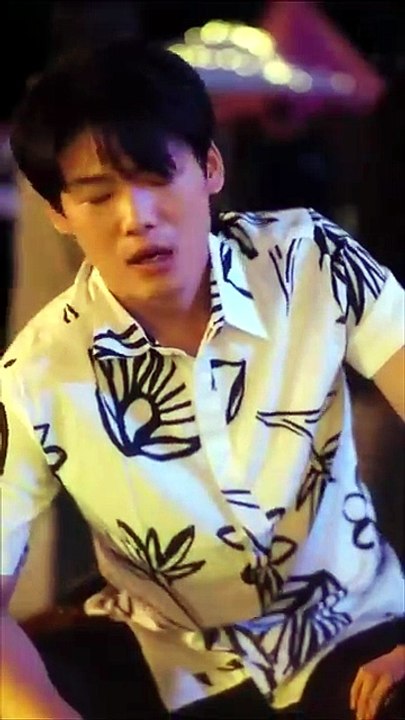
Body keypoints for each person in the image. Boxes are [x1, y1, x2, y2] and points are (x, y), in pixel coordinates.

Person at [1, 37, 404, 720]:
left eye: (158, 178)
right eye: (98, 196)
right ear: (59, 214)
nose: (137, 219)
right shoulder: (36, 375)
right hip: (171, 664)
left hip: (353, 627)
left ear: (210, 168)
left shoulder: (311, 261)